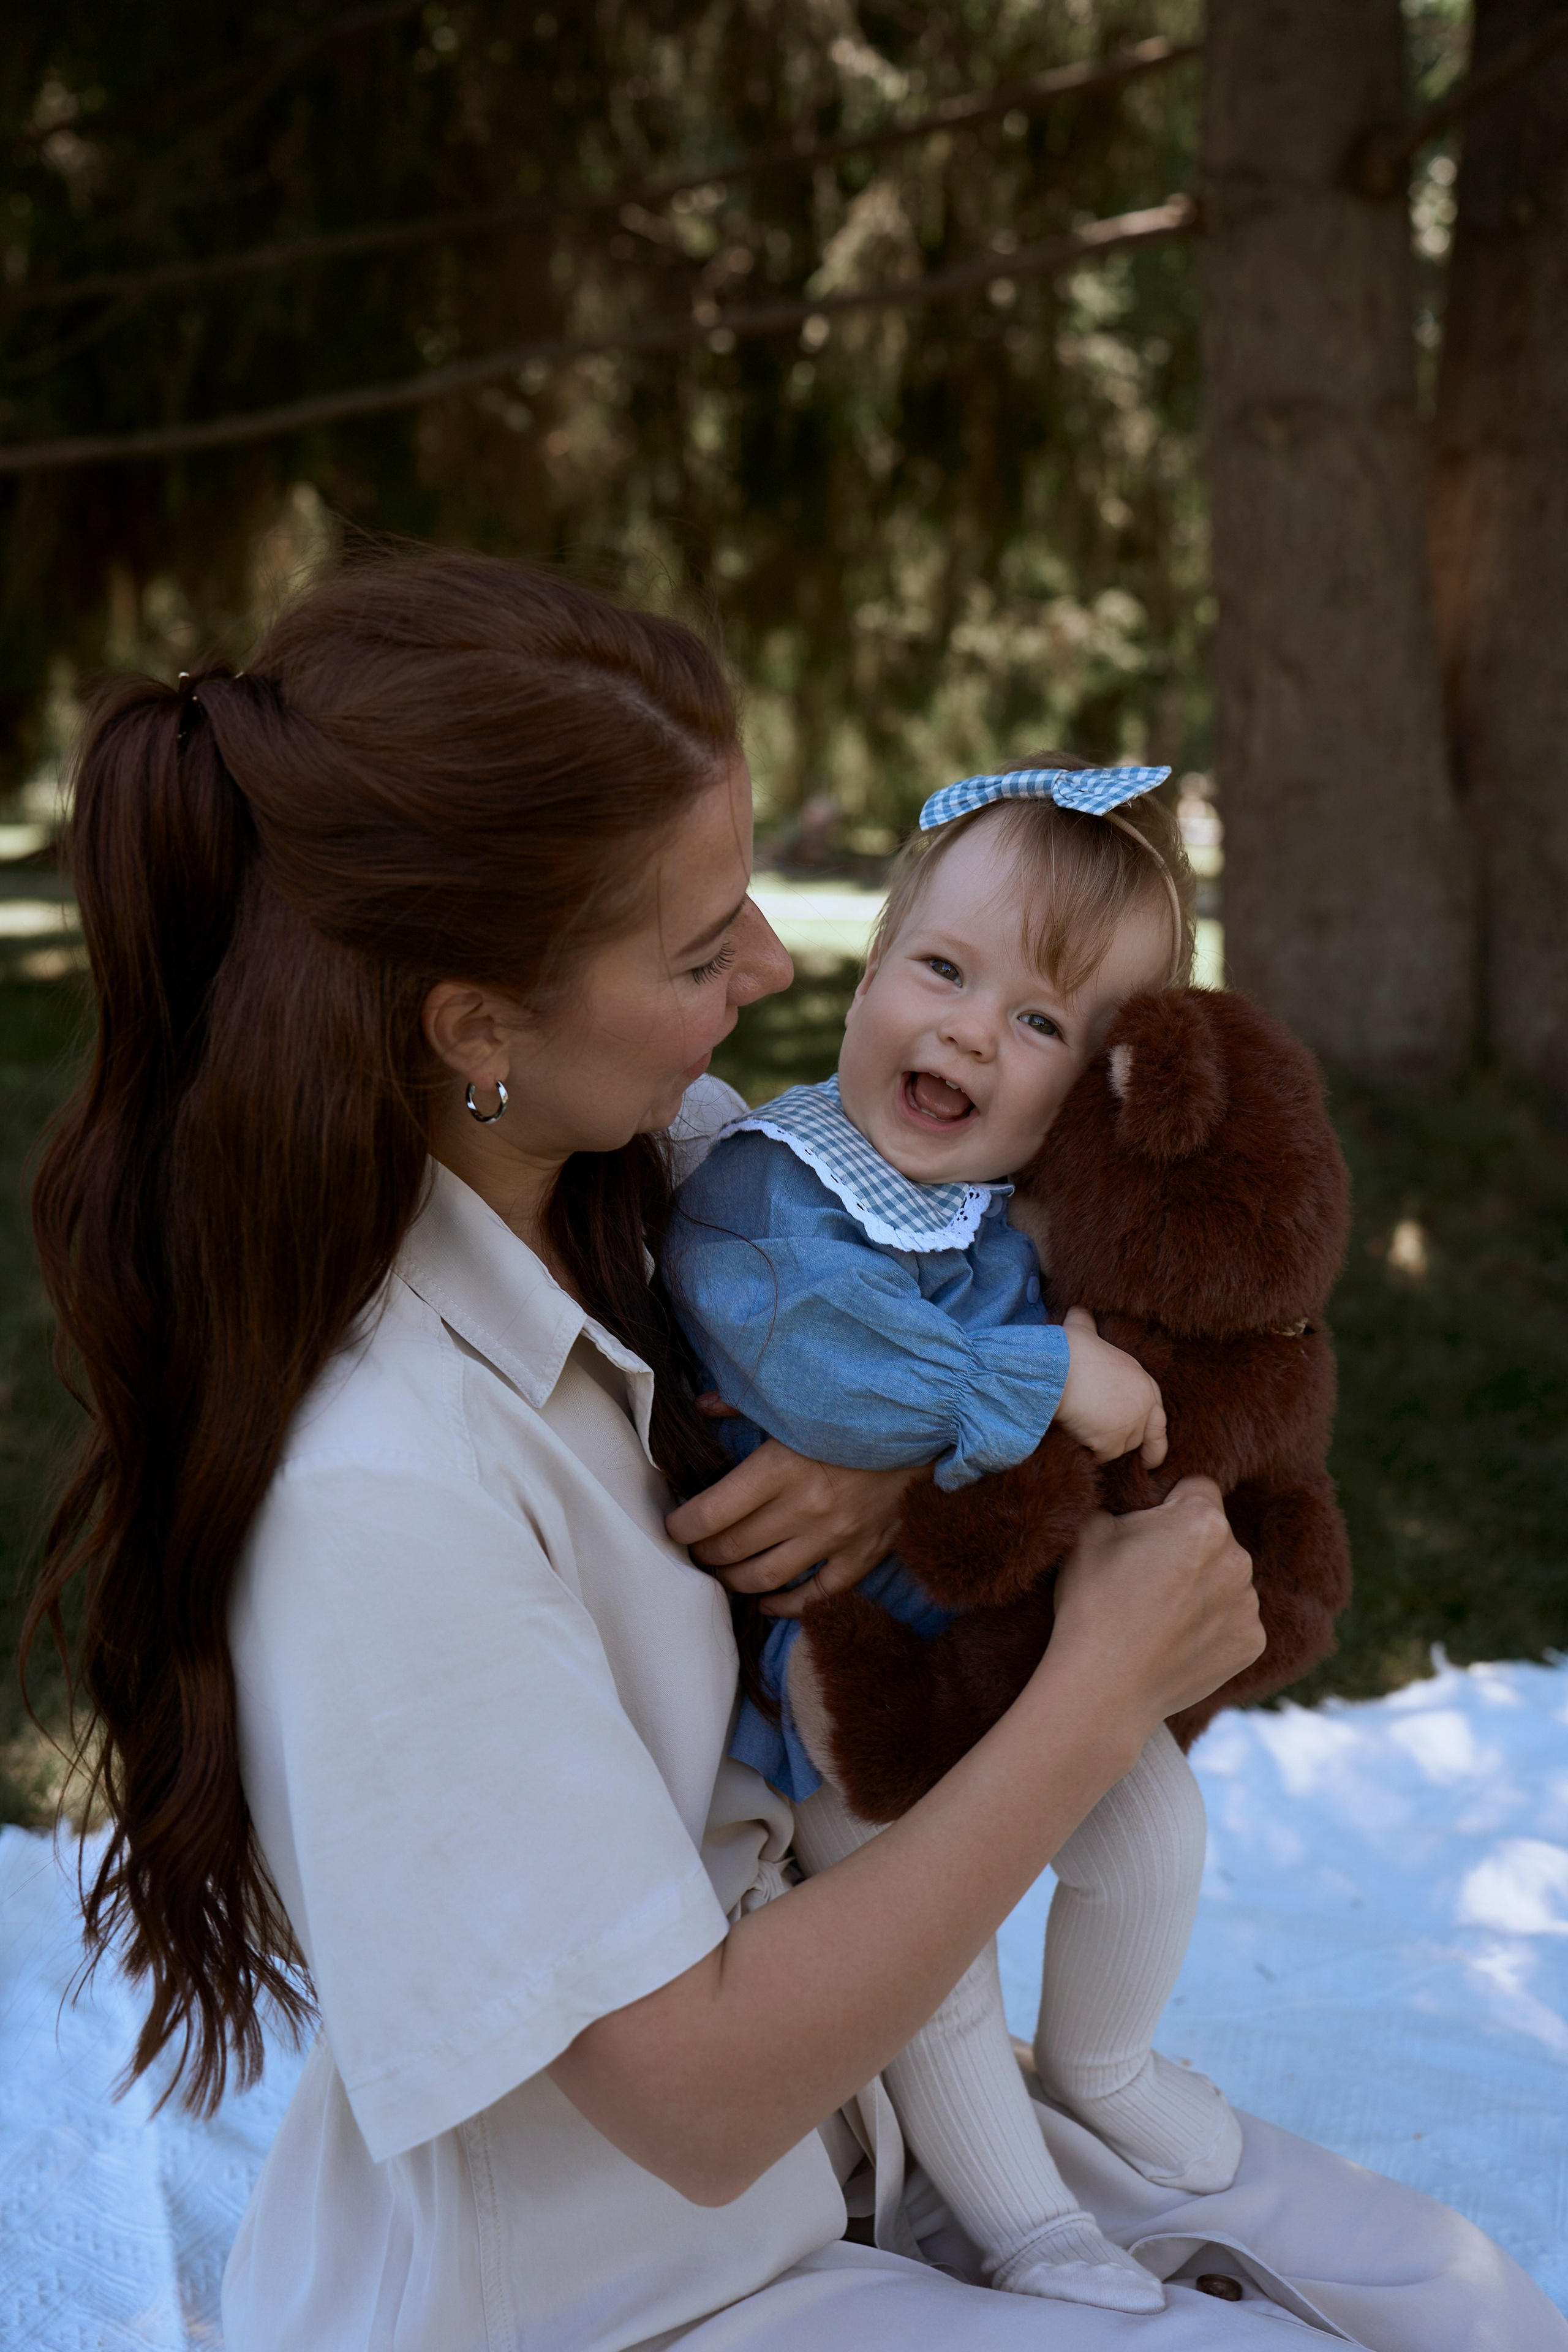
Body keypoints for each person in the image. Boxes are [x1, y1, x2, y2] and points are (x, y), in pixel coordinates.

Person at [24, 550, 1566, 2352]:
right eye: (699, 948)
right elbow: (685, 2098)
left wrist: (891, 1467)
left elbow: (868, 1345)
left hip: (869, 2105)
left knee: (1476, 2309)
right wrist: (1099, 1690)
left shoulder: (653, 1158)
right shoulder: (381, 1488)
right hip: (634, 2278)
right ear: (478, 1032)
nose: (770, 963)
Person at [665, 763, 1235, 2314]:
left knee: (1151, 1828)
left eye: (1041, 1023)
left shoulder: (1005, 1218)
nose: (974, 1031)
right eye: (943, 971)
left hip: (1018, 1628)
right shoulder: (764, 1187)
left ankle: (1103, 2060)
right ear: (869, 969)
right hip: (851, 1656)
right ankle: (1020, 2217)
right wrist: (1045, 1376)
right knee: (926, 1932)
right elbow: (819, 1364)